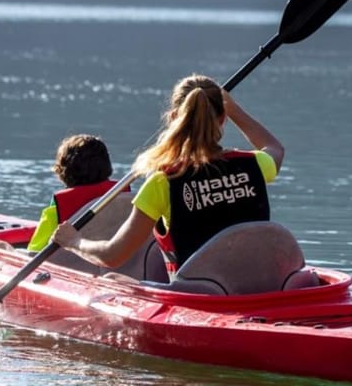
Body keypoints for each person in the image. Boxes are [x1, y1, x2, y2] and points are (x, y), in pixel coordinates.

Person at [52, 74, 284, 278]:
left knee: (113, 279)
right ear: (222, 117)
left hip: (199, 298)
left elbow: (113, 256)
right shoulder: (254, 164)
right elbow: (275, 148)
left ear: (174, 118)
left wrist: (73, 241)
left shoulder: (163, 182)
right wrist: (233, 109)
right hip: (259, 286)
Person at [0, 134, 120, 253]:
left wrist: (4, 248)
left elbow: (34, 253)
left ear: (62, 172)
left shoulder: (58, 208)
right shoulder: (123, 197)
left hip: (69, 271)